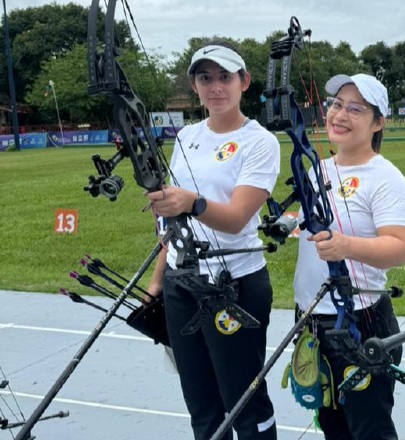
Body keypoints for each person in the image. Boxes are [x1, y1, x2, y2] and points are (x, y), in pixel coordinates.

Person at [145, 41, 280, 440]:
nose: (215, 87)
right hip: (180, 282)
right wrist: (157, 281)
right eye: (205, 78)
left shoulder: (260, 141)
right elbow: (173, 223)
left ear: (244, 82)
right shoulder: (186, 135)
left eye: (225, 77)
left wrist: (192, 201)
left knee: (244, 402)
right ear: (194, 85)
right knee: (201, 403)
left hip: (233, 287)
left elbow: (238, 219)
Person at [292, 73, 405, 440]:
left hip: (360, 322)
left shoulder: (386, 178)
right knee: (333, 427)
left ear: (378, 123)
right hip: (313, 321)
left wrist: (345, 246)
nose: (340, 115)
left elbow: (398, 248)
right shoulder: (319, 169)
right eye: (336, 105)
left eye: (355, 109)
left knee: (370, 430)